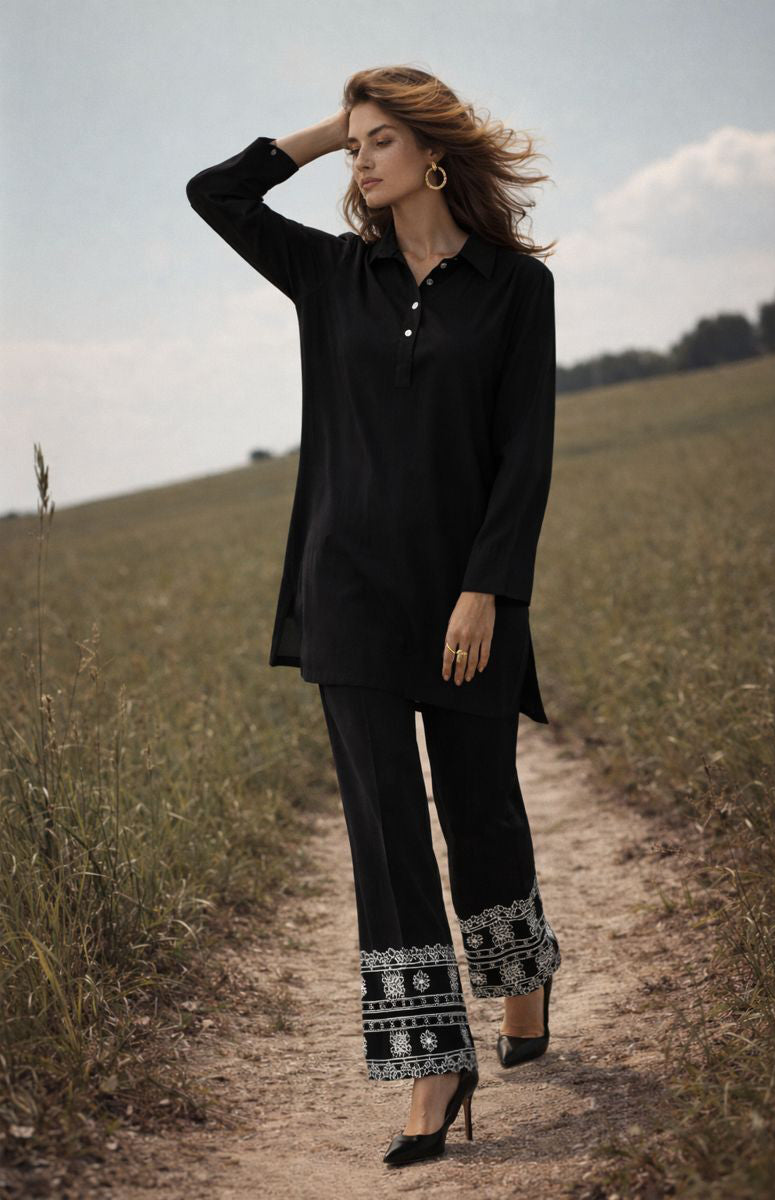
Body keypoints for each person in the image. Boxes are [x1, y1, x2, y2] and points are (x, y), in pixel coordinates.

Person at [186, 64, 562, 1168]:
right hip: (345, 593)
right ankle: (431, 1062)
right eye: (354, 147)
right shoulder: (327, 273)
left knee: (478, 808)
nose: (360, 162)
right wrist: (329, 128)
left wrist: (487, 588)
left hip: (464, 596)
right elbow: (214, 193)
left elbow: (525, 454)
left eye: (382, 141)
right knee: (386, 832)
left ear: (435, 151)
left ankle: (518, 977)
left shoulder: (514, 289)